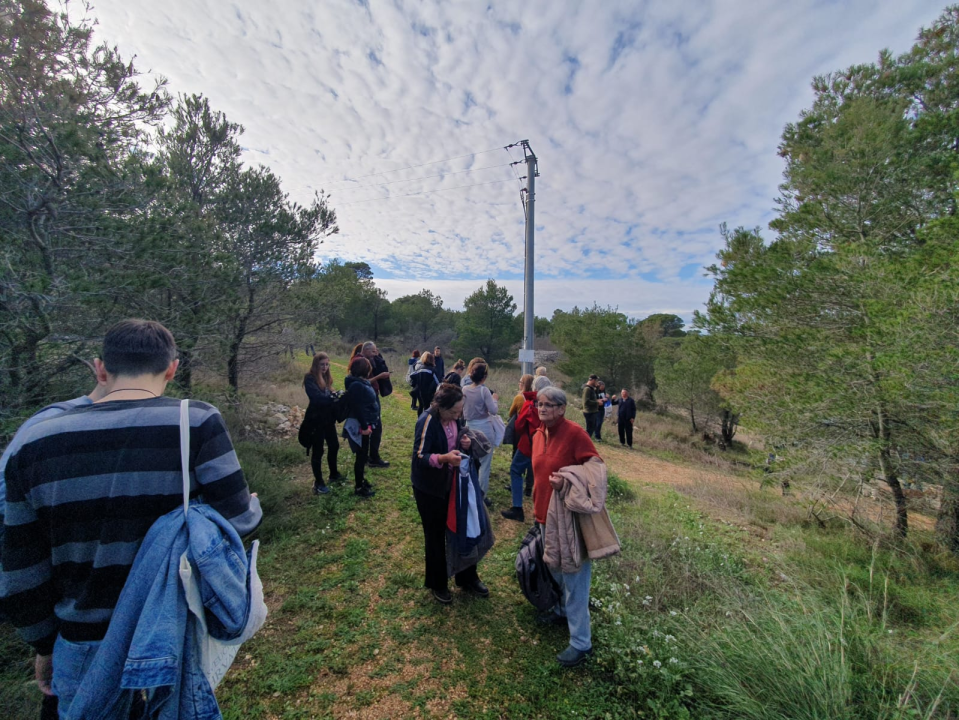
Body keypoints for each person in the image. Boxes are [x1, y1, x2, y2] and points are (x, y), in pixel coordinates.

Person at [0, 319, 262, 716]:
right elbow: (238, 521)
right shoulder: (195, 422)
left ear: (100, 368)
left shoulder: (34, 441)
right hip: (170, 631)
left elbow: (19, 570)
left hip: (82, 641)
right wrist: (250, 505)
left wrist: (43, 644)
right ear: (171, 369)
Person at [531, 386, 611, 668]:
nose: (542, 409)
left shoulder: (576, 433)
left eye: (549, 405)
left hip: (570, 521)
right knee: (555, 569)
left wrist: (567, 482)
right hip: (544, 518)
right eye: (539, 404)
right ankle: (561, 611)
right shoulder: (539, 433)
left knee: (576, 579)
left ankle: (581, 643)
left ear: (562, 408)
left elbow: (596, 470)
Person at [411, 383, 491, 604]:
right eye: (454, 412)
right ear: (440, 407)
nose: (458, 415)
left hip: (454, 484)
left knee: (464, 529)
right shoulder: (427, 421)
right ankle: (438, 583)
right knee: (435, 536)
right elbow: (420, 456)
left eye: (460, 411)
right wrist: (445, 458)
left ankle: (467, 577)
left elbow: (456, 440)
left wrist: (464, 443)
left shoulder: (456, 418)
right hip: (430, 489)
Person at [303, 352, 344, 494]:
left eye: (327, 364)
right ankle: (318, 482)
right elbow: (317, 398)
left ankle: (333, 473)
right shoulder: (310, 378)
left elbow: (328, 396)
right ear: (316, 364)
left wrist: (337, 396)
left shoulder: (327, 378)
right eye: (322, 364)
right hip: (315, 421)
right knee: (318, 451)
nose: (325, 367)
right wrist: (333, 398)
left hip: (328, 420)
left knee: (334, 445)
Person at [501, 376, 540, 522]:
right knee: (537, 473)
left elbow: (518, 425)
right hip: (542, 445)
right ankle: (540, 510)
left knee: (515, 470)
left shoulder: (530, 403)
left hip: (527, 444)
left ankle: (517, 508)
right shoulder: (552, 403)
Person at [342, 355, 379, 498]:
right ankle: (359, 487)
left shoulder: (359, 382)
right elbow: (357, 407)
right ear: (365, 369)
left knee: (363, 455)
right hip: (361, 425)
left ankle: (362, 481)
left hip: (366, 423)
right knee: (361, 456)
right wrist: (364, 427)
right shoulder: (356, 385)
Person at [462, 362, 499, 502]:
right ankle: (481, 495)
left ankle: (469, 489)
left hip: (469, 427)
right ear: (484, 377)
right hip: (484, 428)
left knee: (470, 459)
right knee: (485, 463)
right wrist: (495, 400)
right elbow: (493, 410)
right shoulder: (484, 391)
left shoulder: (464, 389)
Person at [361, 341, 392, 468]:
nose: (375, 353)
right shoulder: (360, 362)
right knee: (373, 427)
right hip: (367, 399)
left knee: (374, 427)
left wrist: (378, 357)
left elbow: (380, 366)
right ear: (366, 351)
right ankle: (371, 458)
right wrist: (379, 377)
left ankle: (369, 456)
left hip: (373, 396)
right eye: (373, 351)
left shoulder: (370, 360)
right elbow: (361, 382)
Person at [581, 375, 601, 440]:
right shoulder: (587, 389)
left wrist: (597, 387)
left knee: (592, 428)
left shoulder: (591, 388)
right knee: (589, 429)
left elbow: (595, 396)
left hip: (593, 411)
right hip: (589, 411)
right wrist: (597, 402)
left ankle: (586, 441)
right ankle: (584, 441)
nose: (596, 382)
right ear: (592, 380)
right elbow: (586, 401)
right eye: (596, 380)